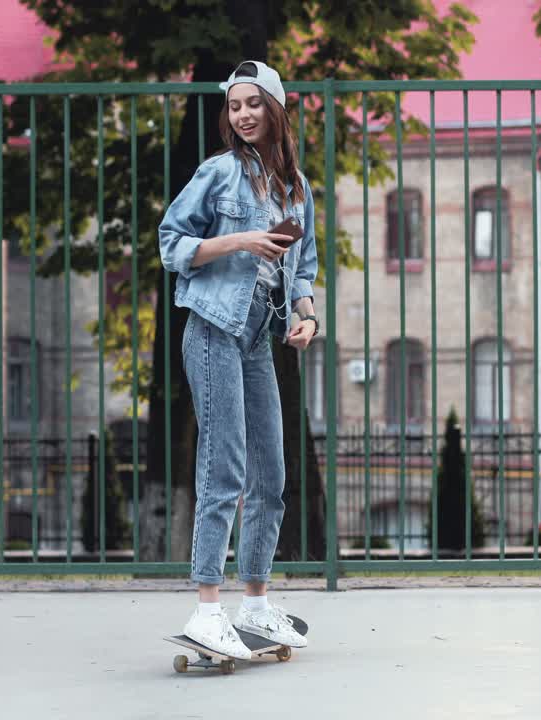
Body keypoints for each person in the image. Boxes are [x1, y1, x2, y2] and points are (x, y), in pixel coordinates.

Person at [158, 60, 319, 660]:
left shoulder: (296, 188)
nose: (244, 114)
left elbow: (301, 269)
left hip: (257, 335)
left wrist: (306, 317)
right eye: (235, 106)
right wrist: (239, 241)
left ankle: (254, 603)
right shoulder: (219, 173)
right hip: (211, 328)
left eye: (254, 103)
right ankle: (207, 609)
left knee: (271, 475)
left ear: (276, 108)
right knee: (222, 468)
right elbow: (171, 242)